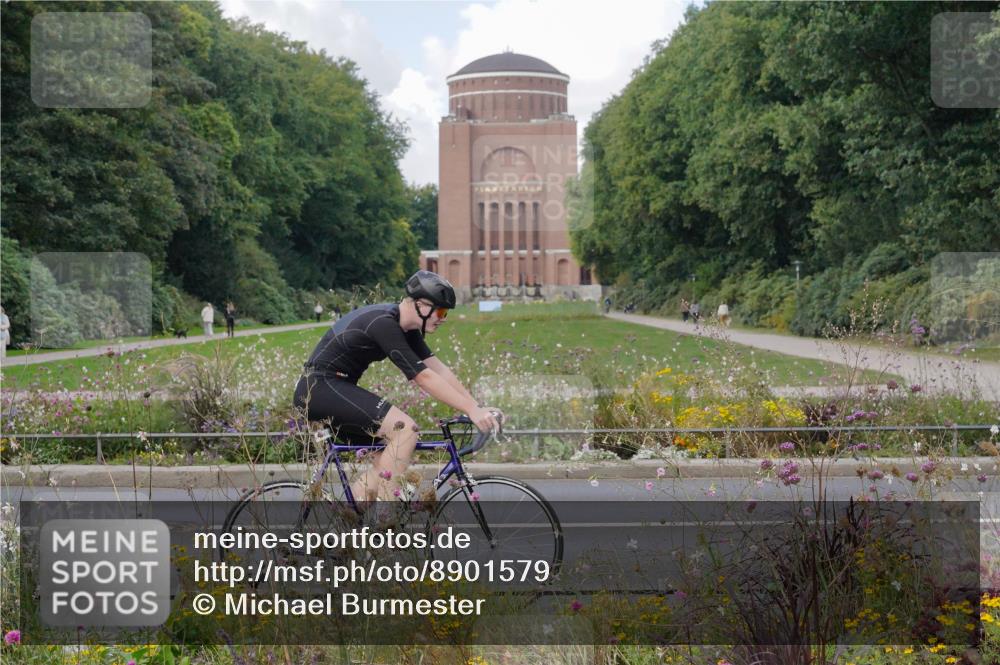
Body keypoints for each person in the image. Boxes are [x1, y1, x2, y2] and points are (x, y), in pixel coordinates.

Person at [294, 270, 500, 503]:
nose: (443, 318)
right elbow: (423, 377)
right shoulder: (384, 324)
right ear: (421, 305)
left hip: (332, 388)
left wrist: (475, 407)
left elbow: (439, 370)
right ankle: (385, 519)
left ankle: (349, 522)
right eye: (441, 311)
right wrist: (471, 410)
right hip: (319, 390)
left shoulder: (407, 328)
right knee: (405, 430)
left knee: (387, 461)